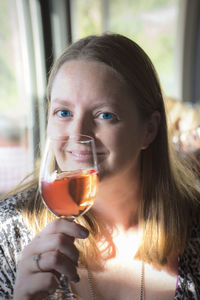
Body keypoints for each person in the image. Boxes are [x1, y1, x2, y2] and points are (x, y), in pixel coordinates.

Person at [0, 33, 200, 300]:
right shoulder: (7, 233)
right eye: (63, 112)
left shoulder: (195, 224)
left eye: (105, 115)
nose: (77, 134)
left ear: (149, 130)